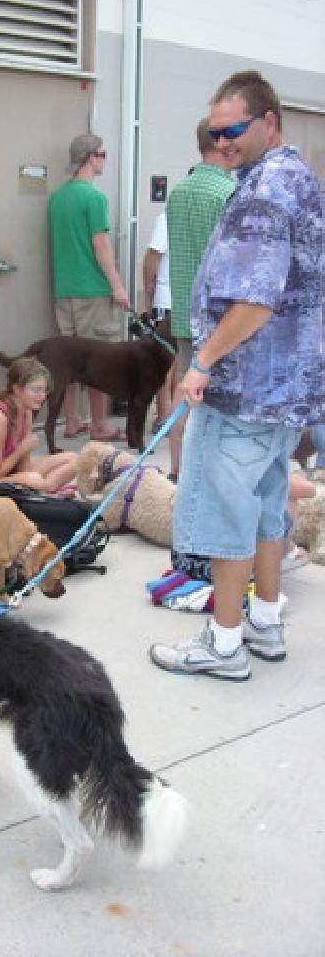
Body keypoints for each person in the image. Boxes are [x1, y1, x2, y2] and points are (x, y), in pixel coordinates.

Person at [149, 70, 324, 681]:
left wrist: (201, 362)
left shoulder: (263, 193)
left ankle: (223, 644)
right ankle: (264, 622)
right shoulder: (294, 177)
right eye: (216, 131)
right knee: (266, 503)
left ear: (269, 121)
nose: (223, 141)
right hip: (284, 391)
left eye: (234, 129)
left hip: (246, 387)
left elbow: (254, 301)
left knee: (223, 510)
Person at [48, 133, 131, 441]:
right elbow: (101, 245)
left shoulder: (57, 199)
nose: (105, 159)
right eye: (102, 153)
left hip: (64, 289)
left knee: (68, 360)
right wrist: (118, 287)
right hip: (93, 290)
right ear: (90, 158)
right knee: (99, 359)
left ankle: (71, 421)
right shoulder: (94, 198)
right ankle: (100, 425)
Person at [166, 118, 234, 478]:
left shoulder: (179, 191)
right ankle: (205, 474)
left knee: (183, 389)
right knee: (218, 404)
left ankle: (177, 467)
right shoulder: (229, 194)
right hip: (221, 319)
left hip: (184, 312)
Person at [0, 356, 78, 492]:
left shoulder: (27, 413)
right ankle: (49, 491)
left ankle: (44, 490)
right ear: (17, 389)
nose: (43, 396)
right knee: (34, 479)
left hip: (6, 475)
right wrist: (22, 449)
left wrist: (26, 471)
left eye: (44, 390)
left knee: (74, 460)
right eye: (36, 390)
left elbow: (23, 468)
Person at [141, 210, 176, 433]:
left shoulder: (167, 216)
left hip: (167, 297)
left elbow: (152, 257)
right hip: (185, 298)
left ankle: (165, 414)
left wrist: (148, 293)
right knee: (176, 360)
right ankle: (168, 414)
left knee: (165, 361)